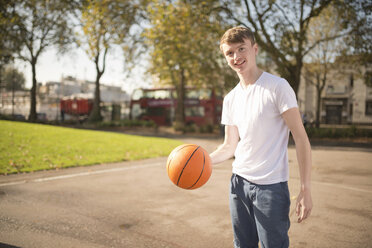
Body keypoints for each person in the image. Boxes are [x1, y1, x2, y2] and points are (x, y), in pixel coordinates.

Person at [210, 26, 313, 248]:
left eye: (241, 49)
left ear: (254, 49)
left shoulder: (277, 87)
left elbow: (301, 138)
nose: (236, 57)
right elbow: (229, 146)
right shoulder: (230, 99)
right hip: (238, 185)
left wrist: (305, 189)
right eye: (229, 53)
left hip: (271, 188)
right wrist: (203, 160)